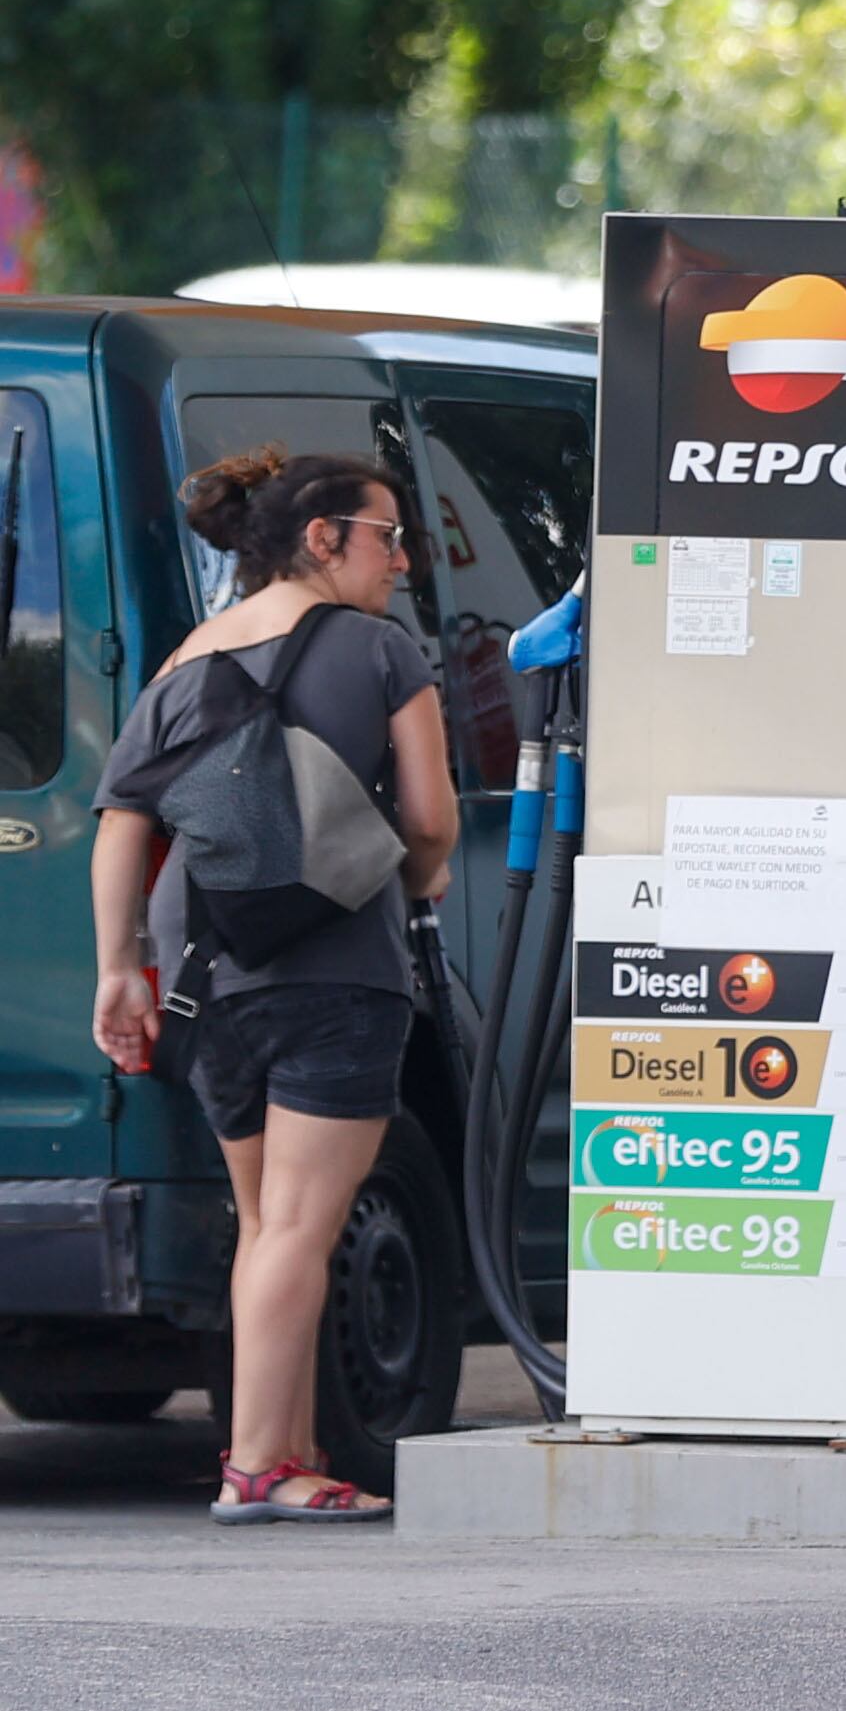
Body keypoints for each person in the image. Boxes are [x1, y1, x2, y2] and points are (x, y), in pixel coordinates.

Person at [90, 449, 457, 1522]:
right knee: (301, 1224)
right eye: (387, 535)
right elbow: (430, 822)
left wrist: (122, 968)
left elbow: (124, 825)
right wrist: (418, 880)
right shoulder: (382, 650)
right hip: (336, 971)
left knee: (267, 1221)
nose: (401, 560)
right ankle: (257, 1465)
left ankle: (289, 1443)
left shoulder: (186, 658)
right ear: (322, 536)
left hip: (209, 975)